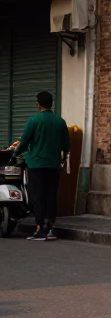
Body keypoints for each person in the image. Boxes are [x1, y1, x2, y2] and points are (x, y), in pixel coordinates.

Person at [12, 90, 70, 241]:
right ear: (51, 103)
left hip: (36, 164)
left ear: (39, 104)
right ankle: (51, 229)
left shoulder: (34, 121)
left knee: (38, 195)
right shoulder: (60, 122)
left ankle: (39, 229)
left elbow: (24, 143)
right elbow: (67, 145)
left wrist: (14, 153)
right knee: (51, 195)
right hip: (53, 165)